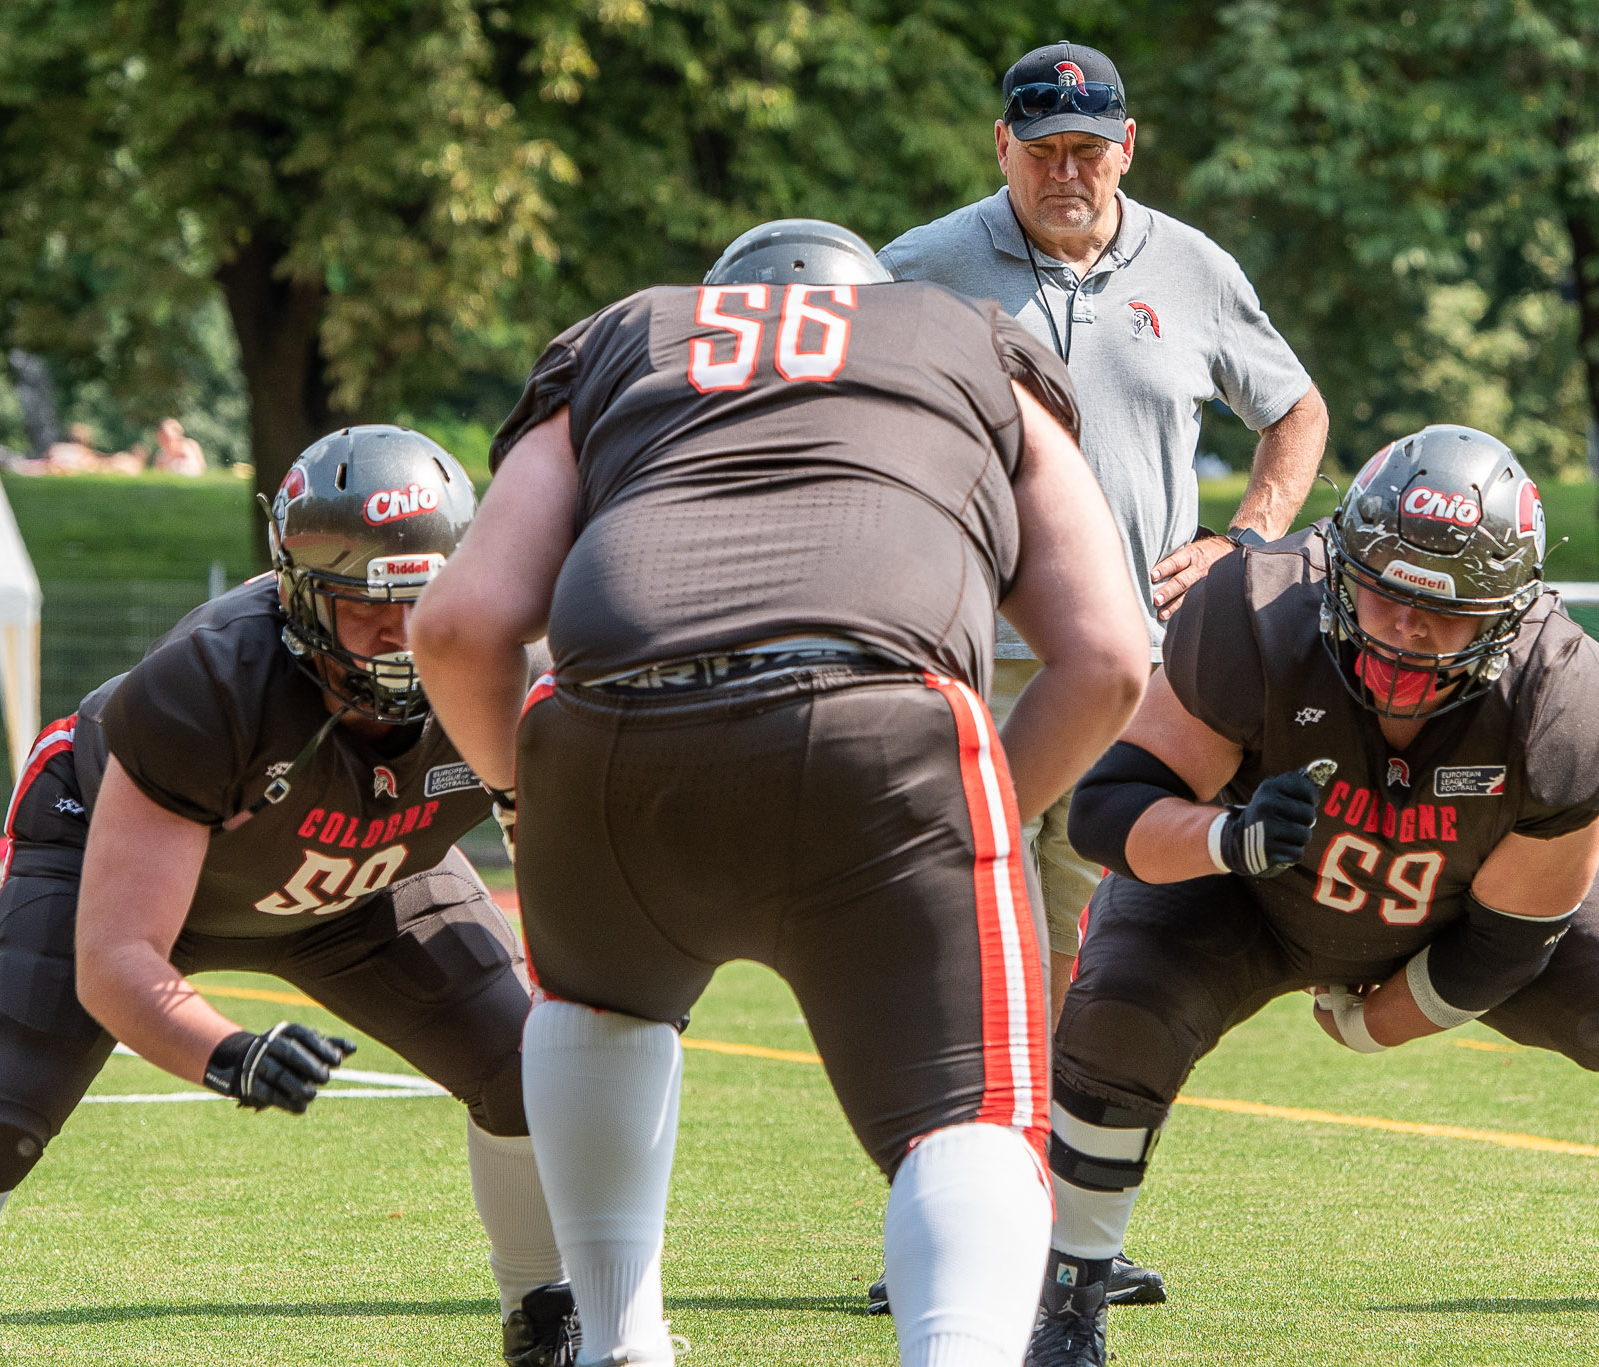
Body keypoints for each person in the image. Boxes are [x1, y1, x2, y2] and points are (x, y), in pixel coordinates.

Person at [411, 219, 1151, 1367]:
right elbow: (1107, 656)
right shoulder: (964, 335)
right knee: (967, 1122)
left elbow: (456, 624)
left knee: (598, 1007)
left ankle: (614, 1336)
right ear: (876, 303)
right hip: (880, 716)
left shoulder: (627, 335)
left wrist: (524, 798)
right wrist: (974, 819)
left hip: (610, 729)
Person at [1029, 425, 1599, 1367]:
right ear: (1339, 563)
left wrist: (1378, 1022)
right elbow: (1110, 809)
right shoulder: (1255, 615)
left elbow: (1516, 936)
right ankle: (1067, 1303)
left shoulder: (1566, 700)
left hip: (1463, 904)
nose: (1406, 631)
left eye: (1446, 614)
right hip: (1250, 891)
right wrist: (1224, 837)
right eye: (1388, 593)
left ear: (1510, 616)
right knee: (1119, 1011)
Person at [0, 427, 575, 1367]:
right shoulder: (212, 680)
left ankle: (545, 1313)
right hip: (124, 859)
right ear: (299, 595)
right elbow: (120, 958)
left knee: (526, 1064)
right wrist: (230, 1053)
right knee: (2, 1115)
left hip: (362, 879)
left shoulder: (521, 668)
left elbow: (564, 866)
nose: (404, 634)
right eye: (367, 607)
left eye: (426, 598)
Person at [879, 40, 1330, 1031]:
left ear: (1127, 146)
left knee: (1091, 951)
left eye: (1087, 149)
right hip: (963, 658)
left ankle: (1054, 1154)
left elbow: (1295, 415)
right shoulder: (915, 268)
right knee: (959, 927)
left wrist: (1242, 544)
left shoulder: (1193, 268)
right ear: (1001, 145)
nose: (1065, 172)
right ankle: (979, 1145)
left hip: (1131, 669)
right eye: (1041, 149)